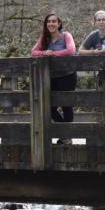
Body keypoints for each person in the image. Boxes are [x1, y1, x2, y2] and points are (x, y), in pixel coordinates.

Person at [31, 13, 76, 145]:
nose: (51, 23)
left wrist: (53, 54)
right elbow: (33, 52)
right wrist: (45, 52)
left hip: (67, 76)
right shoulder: (44, 39)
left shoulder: (66, 36)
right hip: (51, 77)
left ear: (59, 24)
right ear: (46, 24)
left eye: (54, 21)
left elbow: (71, 50)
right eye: (48, 21)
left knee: (67, 105)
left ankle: (66, 138)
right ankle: (65, 133)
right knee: (49, 106)